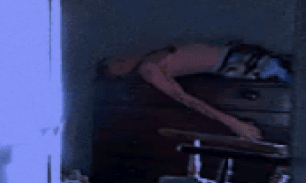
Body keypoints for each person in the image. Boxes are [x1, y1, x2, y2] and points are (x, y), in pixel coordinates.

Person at [98, 41, 292, 141]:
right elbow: (185, 99)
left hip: (241, 55)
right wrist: (234, 123)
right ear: (121, 74)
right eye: (117, 67)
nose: (122, 61)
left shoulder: (148, 53)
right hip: (241, 64)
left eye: (117, 59)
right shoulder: (148, 69)